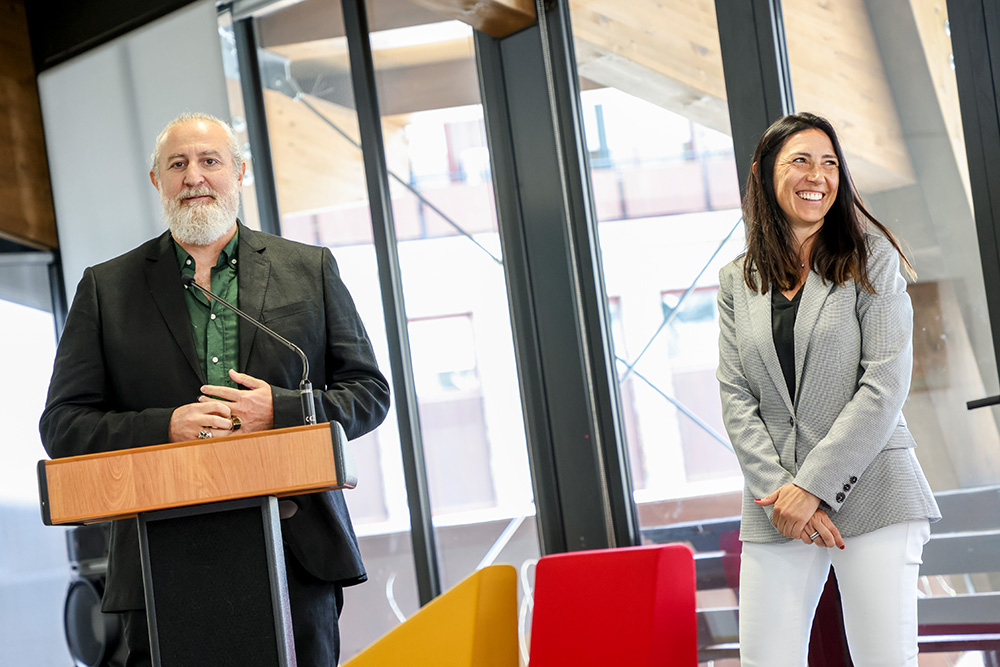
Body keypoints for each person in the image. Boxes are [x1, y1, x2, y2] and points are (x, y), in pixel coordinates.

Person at [39, 112, 390, 666]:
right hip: (159, 562)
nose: (193, 176)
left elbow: (368, 393)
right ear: (157, 180)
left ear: (239, 173)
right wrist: (164, 427)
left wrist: (281, 410)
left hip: (294, 552)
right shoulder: (106, 288)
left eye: (210, 161)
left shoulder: (309, 268)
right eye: (177, 164)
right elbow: (63, 425)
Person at [716, 112, 940, 666]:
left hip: (874, 490)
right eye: (800, 160)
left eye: (830, 163)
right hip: (777, 503)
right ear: (765, 172)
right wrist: (781, 492)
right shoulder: (736, 280)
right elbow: (735, 394)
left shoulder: (872, 259)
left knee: (883, 660)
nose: (818, 175)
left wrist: (812, 486)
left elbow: (884, 385)